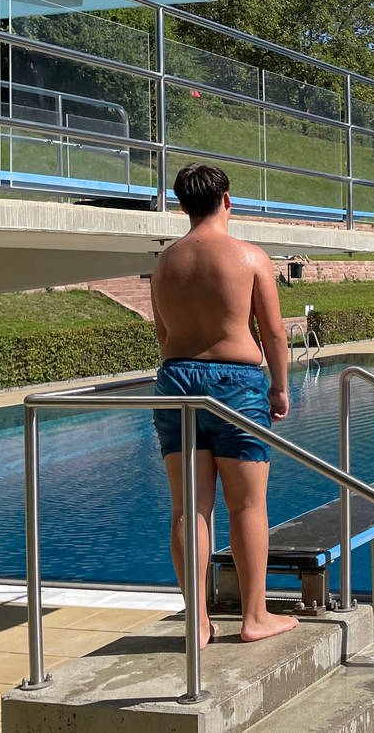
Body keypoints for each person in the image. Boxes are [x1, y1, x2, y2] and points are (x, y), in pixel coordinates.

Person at [150, 163, 299, 649]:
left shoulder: (164, 264)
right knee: (248, 503)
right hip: (236, 383)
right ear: (227, 200)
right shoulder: (250, 257)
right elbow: (274, 332)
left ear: (183, 205)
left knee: (188, 507)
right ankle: (254, 616)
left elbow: (163, 335)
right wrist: (280, 387)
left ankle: (197, 620)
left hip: (176, 381)